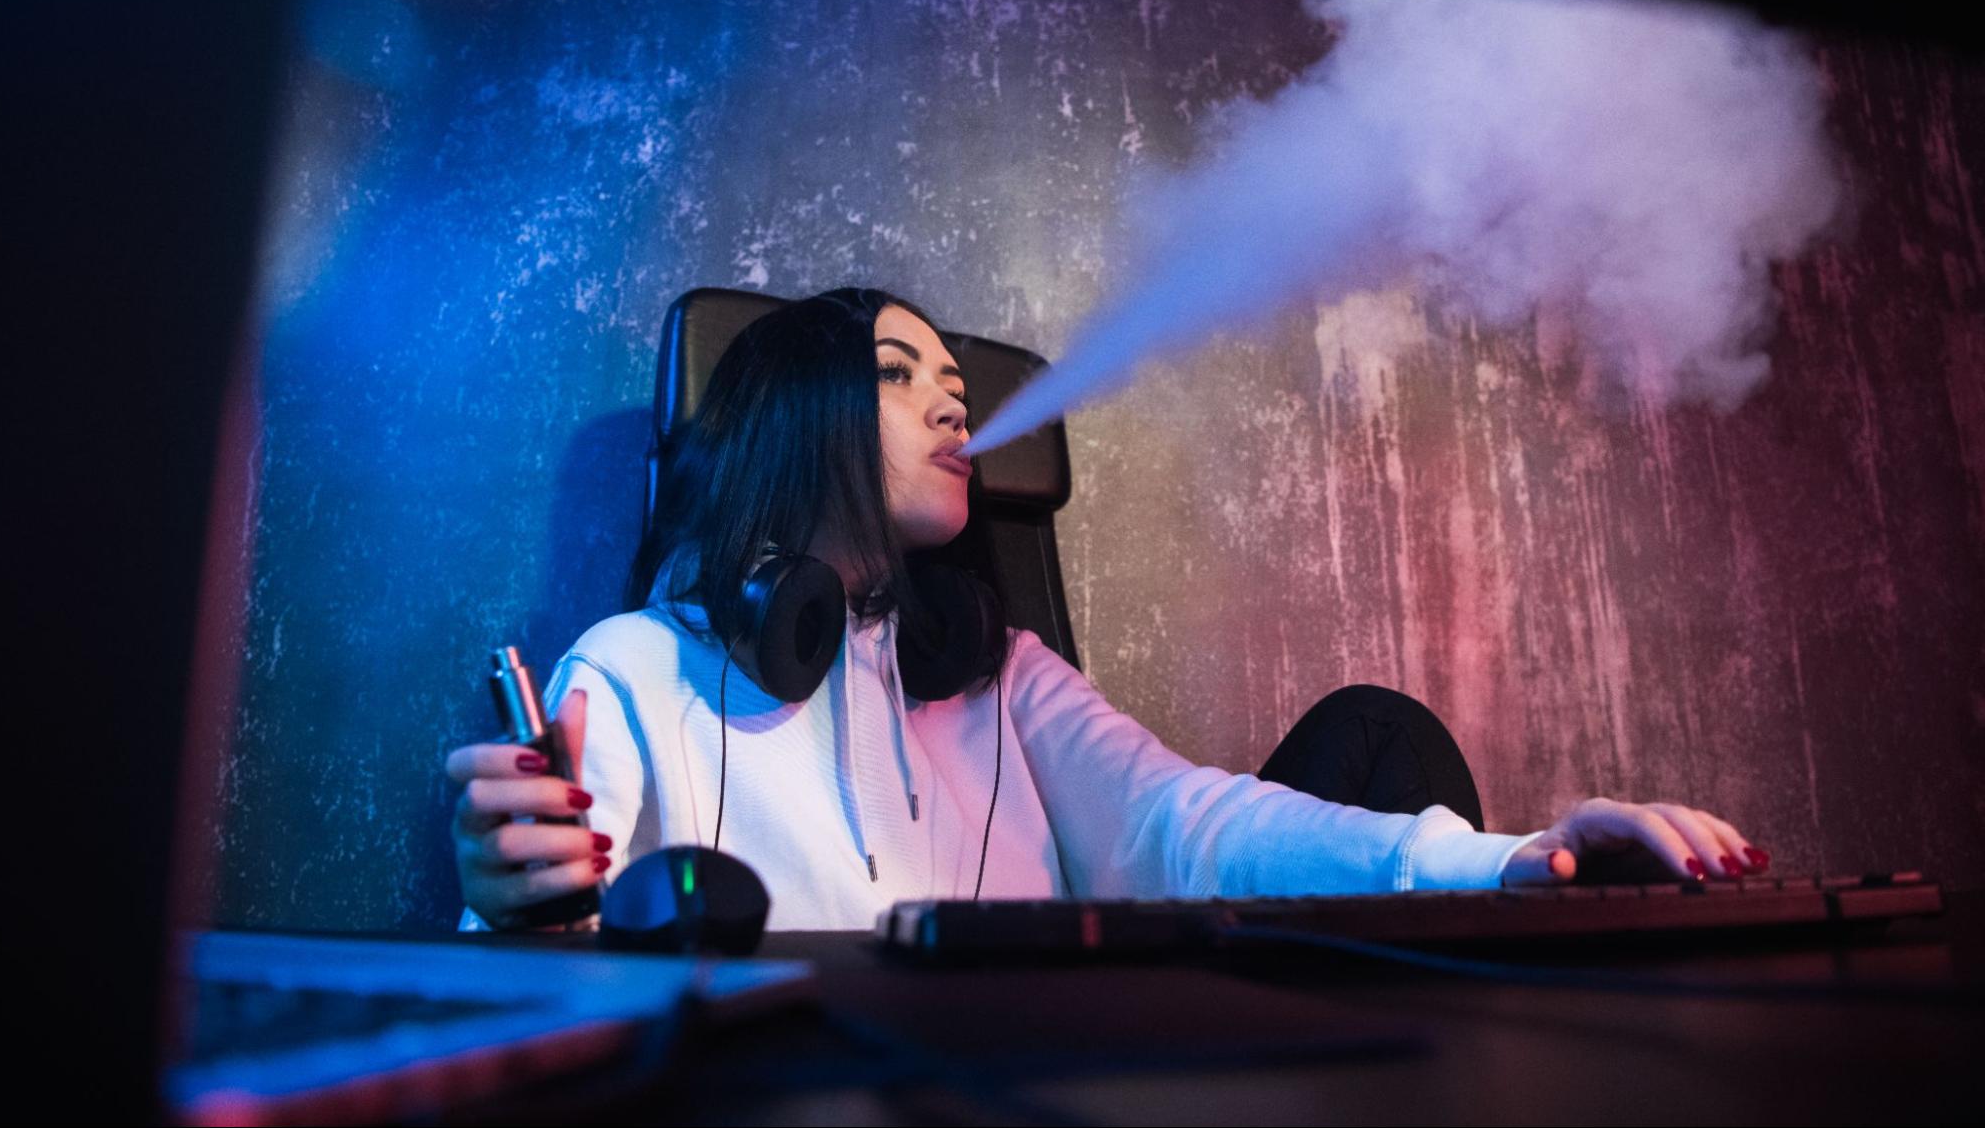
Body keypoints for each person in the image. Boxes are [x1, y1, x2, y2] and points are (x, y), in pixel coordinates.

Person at [447, 288, 1765, 932]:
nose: (957, 404)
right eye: (902, 375)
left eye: (959, 379)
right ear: (799, 411)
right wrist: (510, 897)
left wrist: (1515, 861)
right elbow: (549, 952)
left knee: (1377, 732)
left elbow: (1179, 824)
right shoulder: (632, 669)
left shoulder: (998, 674)